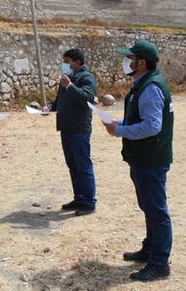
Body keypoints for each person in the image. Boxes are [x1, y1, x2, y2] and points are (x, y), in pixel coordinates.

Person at [104, 40, 173, 281]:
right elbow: (139, 118)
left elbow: (152, 126)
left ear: (141, 62)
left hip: (151, 158)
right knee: (149, 207)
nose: (127, 62)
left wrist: (119, 131)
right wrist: (118, 123)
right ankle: (150, 248)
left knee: (156, 210)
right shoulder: (143, 84)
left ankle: (159, 263)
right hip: (144, 157)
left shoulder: (151, 87)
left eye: (131, 58)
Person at [42, 48, 97, 216]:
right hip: (66, 128)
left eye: (67, 61)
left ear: (77, 62)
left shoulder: (86, 78)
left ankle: (88, 202)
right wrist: (49, 107)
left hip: (79, 128)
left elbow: (87, 99)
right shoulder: (67, 79)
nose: (64, 65)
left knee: (83, 166)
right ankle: (79, 198)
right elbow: (60, 101)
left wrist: (71, 86)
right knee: (73, 165)